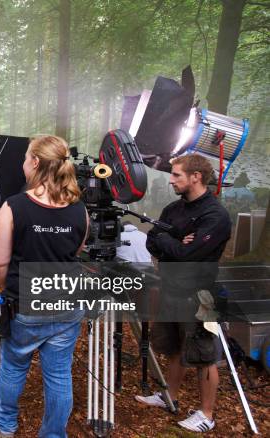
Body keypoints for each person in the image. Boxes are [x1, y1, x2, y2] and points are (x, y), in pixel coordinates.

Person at [0, 135, 88, 437]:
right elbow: (76, 253)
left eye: (25, 158)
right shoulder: (79, 209)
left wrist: (4, 289)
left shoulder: (14, 206)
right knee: (58, 374)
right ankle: (54, 434)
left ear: (34, 162)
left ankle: (4, 424)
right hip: (66, 304)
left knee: (14, 365)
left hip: (25, 305)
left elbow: (1, 264)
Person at [136, 154, 231, 433]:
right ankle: (170, 396)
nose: (171, 179)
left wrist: (171, 242)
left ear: (196, 177)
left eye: (177, 174)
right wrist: (173, 240)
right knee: (174, 347)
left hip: (200, 295)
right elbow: (152, 240)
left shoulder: (215, 215)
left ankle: (206, 414)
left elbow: (188, 253)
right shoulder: (174, 209)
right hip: (171, 288)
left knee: (204, 355)